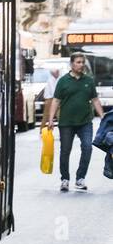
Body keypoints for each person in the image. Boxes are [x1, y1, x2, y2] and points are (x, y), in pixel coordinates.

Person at [44, 52, 106, 191]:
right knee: (65, 151)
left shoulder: (88, 81)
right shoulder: (63, 81)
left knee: (87, 148)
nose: (81, 65)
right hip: (66, 123)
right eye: (78, 62)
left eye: (82, 62)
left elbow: (95, 100)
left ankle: (80, 178)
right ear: (71, 64)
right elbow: (56, 101)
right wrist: (50, 119)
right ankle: (65, 179)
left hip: (85, 122)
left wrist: (103, 116)